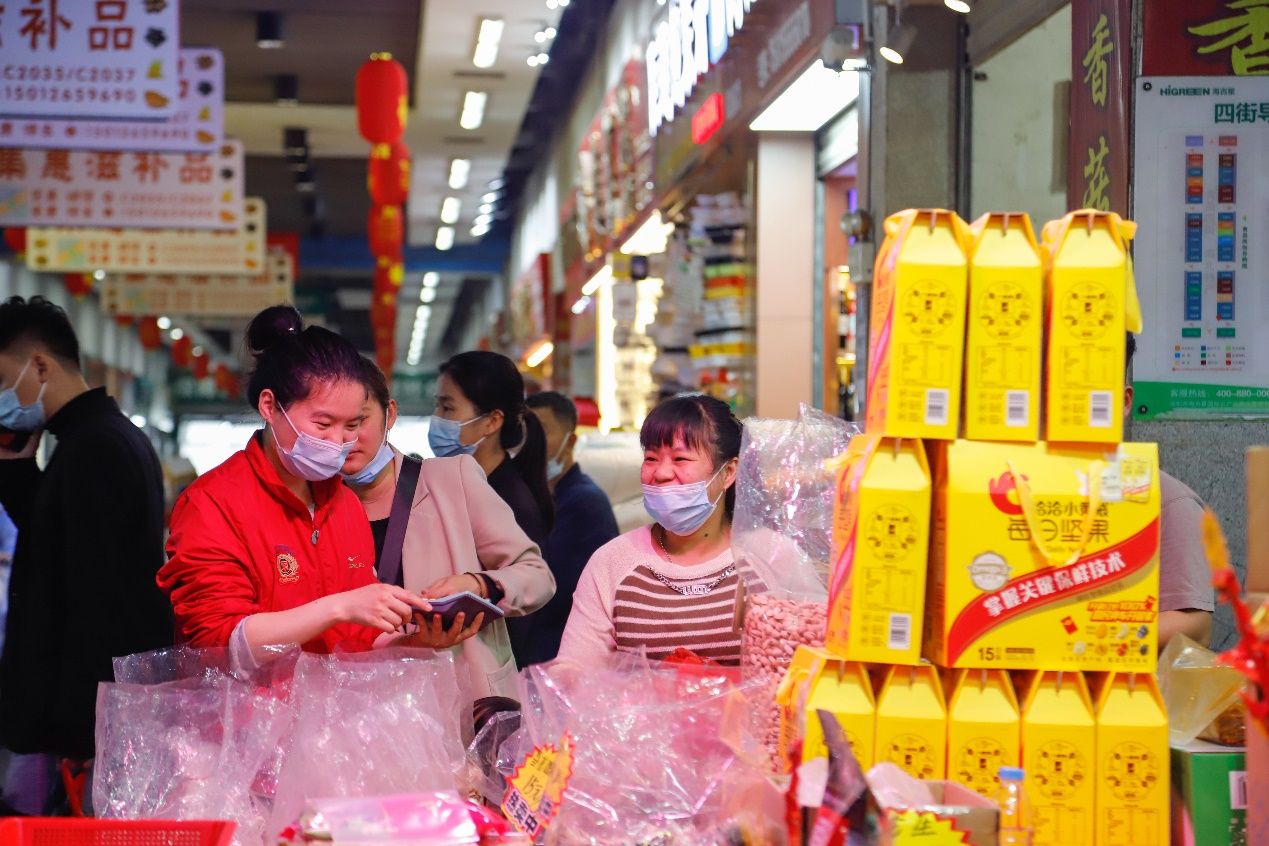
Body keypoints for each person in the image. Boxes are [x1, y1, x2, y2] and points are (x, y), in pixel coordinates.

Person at [159, 306, 438, 666]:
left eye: (352, 425)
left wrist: (413, 642)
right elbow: (218, 647)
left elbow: (355, 643)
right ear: (269, 405)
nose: (340, 441)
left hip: (335, 717)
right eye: (324, 424)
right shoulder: (211, 505)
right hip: (249, 721)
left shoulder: (344, 504)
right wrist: (338, 607)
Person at [0, 296, 173, 800]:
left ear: (38, 365)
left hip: (86, 725)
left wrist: (81, 734)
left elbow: (97, 601)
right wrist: (14, 471)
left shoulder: (94, 449)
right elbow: (59, 544)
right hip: (91, 718)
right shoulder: (95, 439)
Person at [341, 359, 555, 699]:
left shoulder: (450, 479)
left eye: (357, 420)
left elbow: (537, 575)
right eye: (327, 422)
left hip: (458, 700)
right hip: (362, 703)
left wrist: (479, 584)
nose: (345, 436)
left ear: (389, 414)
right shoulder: (317, 505)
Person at [558, 394, 744, 665]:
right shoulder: (611, 562)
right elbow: (573, 671)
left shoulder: (767, 559)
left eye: (680, 458)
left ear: (728, 472)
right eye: (651, 458)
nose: (661, 473)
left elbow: (800, 668)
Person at [511, 391, 619, 665]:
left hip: (560, 654)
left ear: (570, 441)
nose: (531, 443)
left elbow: (553, 591)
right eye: (526, 432)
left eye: (542, 432)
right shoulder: (536, 497)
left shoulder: (584, 502)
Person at [1125, 333, 1214, 648]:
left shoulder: (1169, 500)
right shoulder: (1002, 490)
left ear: (1124, 401)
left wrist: (1096, 640)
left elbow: (1195, 621)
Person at [432, 351, 554, 551]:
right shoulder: (461, 487)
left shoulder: (512, 507)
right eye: (437, 405)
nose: (436, 418)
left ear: (492, 421)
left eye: (447, 407)